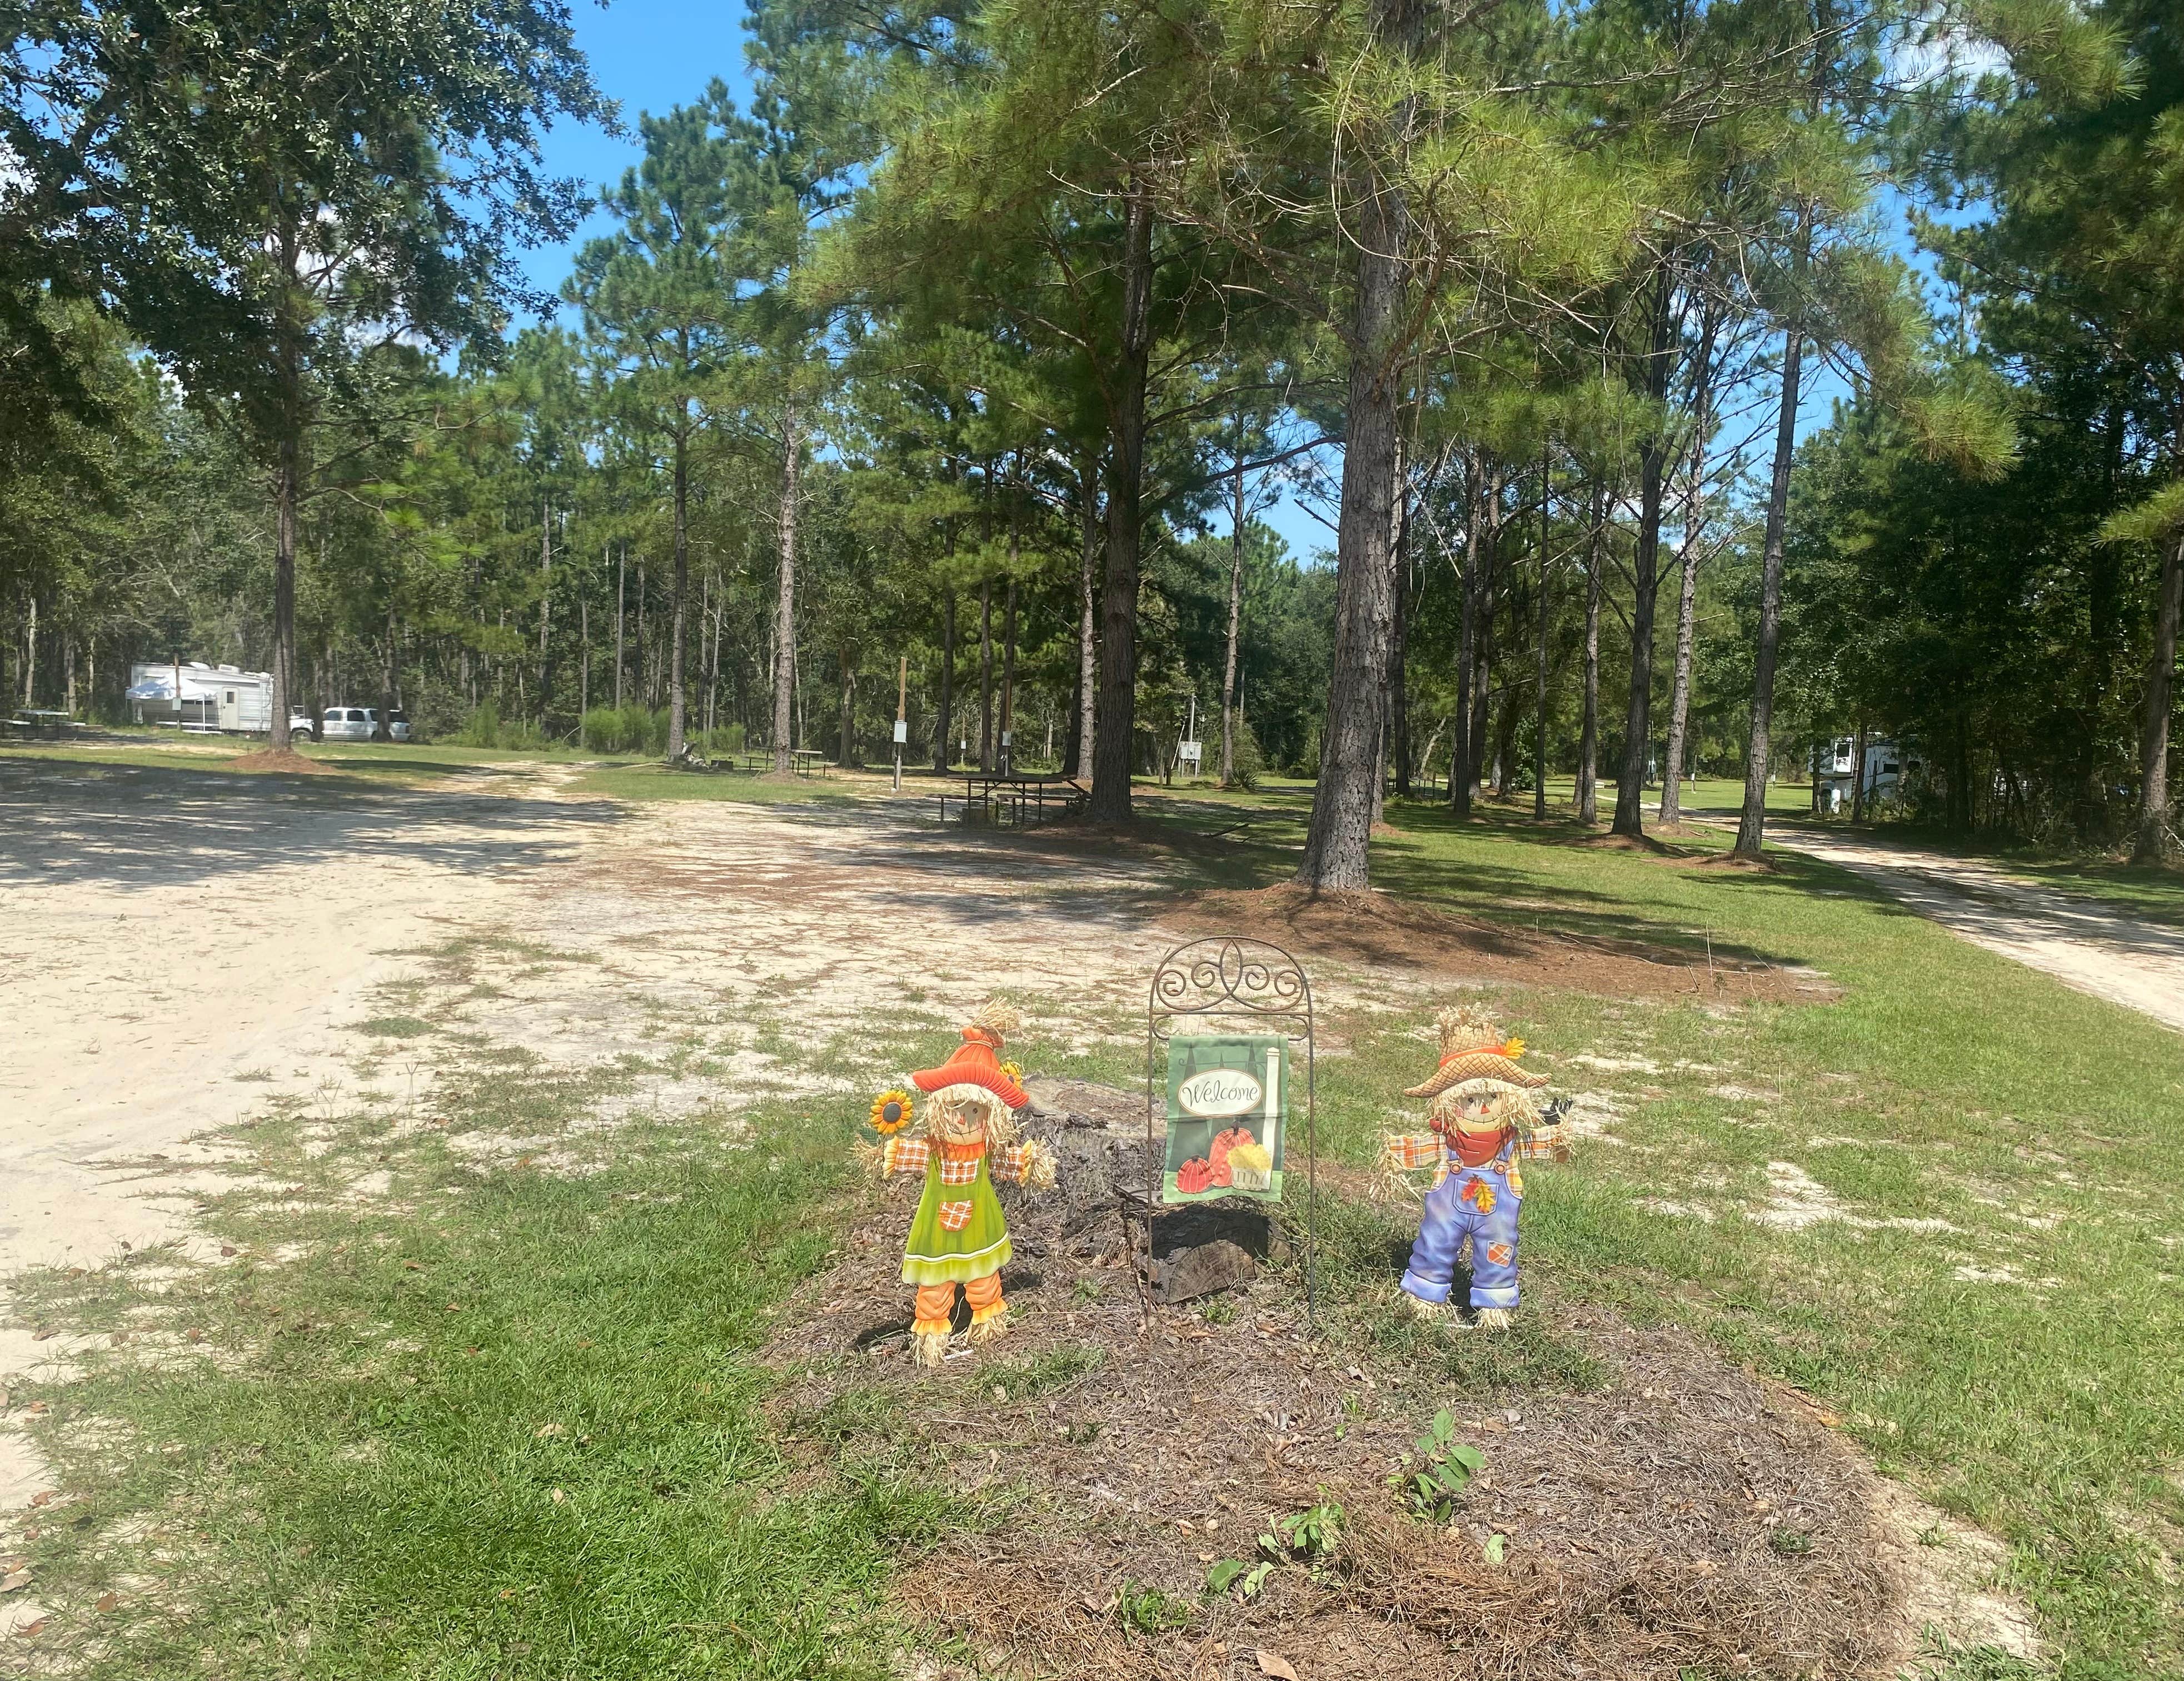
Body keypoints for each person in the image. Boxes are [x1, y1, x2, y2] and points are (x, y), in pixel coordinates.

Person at [865, 1000, 1056, 1367]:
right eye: (956, 1110)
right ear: (939, 1108)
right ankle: (933, 1334)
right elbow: (906, 1155)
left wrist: (1033, 1165)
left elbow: (1009, 1162)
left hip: (980, 1228)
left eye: (976, 1113)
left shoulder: (986, 1153)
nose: (965, 1120)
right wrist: (882, 1156)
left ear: (991, 1117)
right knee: (935, 1284)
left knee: (984, 1277)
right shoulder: (934, 1152)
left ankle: (987, 1322)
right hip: (936, 1230)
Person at [1381, 1004, 1569, 1329]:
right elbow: (1415, 1149)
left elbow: (1544, 1143)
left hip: (1497, 1218)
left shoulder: (1512, 1143)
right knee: (1434, 1244)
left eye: (1491, 1097)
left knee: (1499, 1251)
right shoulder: (1447, 1141)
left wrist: (1560, 1138)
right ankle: (1424, 1296)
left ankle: (1494, 1306)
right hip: (1446, 1212)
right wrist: (1394, 1155)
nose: (1481, 1107)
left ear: (1510, 1099)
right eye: (1468, 1100)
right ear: (1449, 1104)